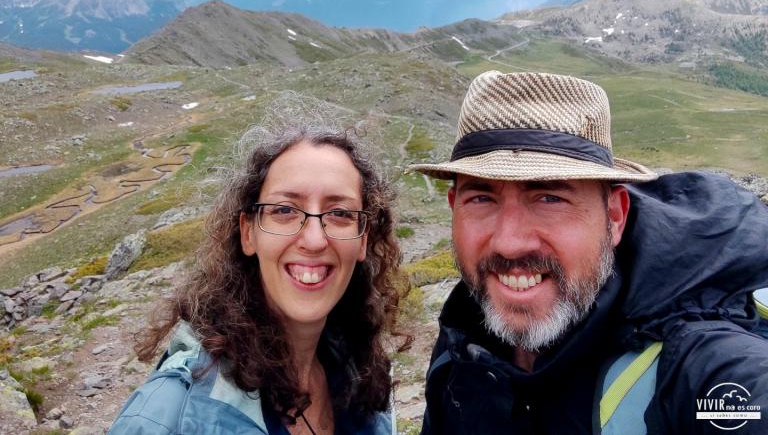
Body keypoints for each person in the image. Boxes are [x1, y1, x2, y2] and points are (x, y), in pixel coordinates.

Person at [410, 70, 768, 434]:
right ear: (454, 206)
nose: (509, 242)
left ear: (614, 217)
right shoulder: (462, 334)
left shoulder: (702, 365)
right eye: (482, 198)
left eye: (550, 197)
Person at [109, 107, 406, 434]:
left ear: (362, 239)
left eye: (340, 213)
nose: (314, 239)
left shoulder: (364, 378)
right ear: (248, 232)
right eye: (284, 210)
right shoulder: (166, 417)